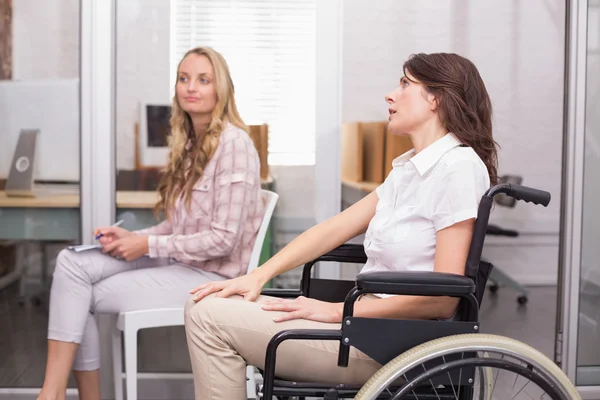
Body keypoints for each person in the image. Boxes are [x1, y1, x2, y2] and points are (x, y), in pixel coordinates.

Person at [183, 52, 499, 400]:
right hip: (363, 324)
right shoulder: (410, 170)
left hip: (387, 345)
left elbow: (443, 299)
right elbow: (333, 229)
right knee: (203, 304)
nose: (390, 95)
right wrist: (259, 275)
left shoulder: (458, 168)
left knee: (208, 317)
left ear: (436, 98)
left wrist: (335, 312)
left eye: (405, 84)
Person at [37, 46, 264, 400]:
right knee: (72, 263)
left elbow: (224, 240)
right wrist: (132, 237)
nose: (191, 87)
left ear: (221, 89)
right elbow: (175, 227)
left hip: (213, 277)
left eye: (203, 80)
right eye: (184, 78)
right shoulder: (191, 144)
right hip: (181, 261)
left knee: (81, 296)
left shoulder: (234, 144)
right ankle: (52, 393)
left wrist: (147, 246)